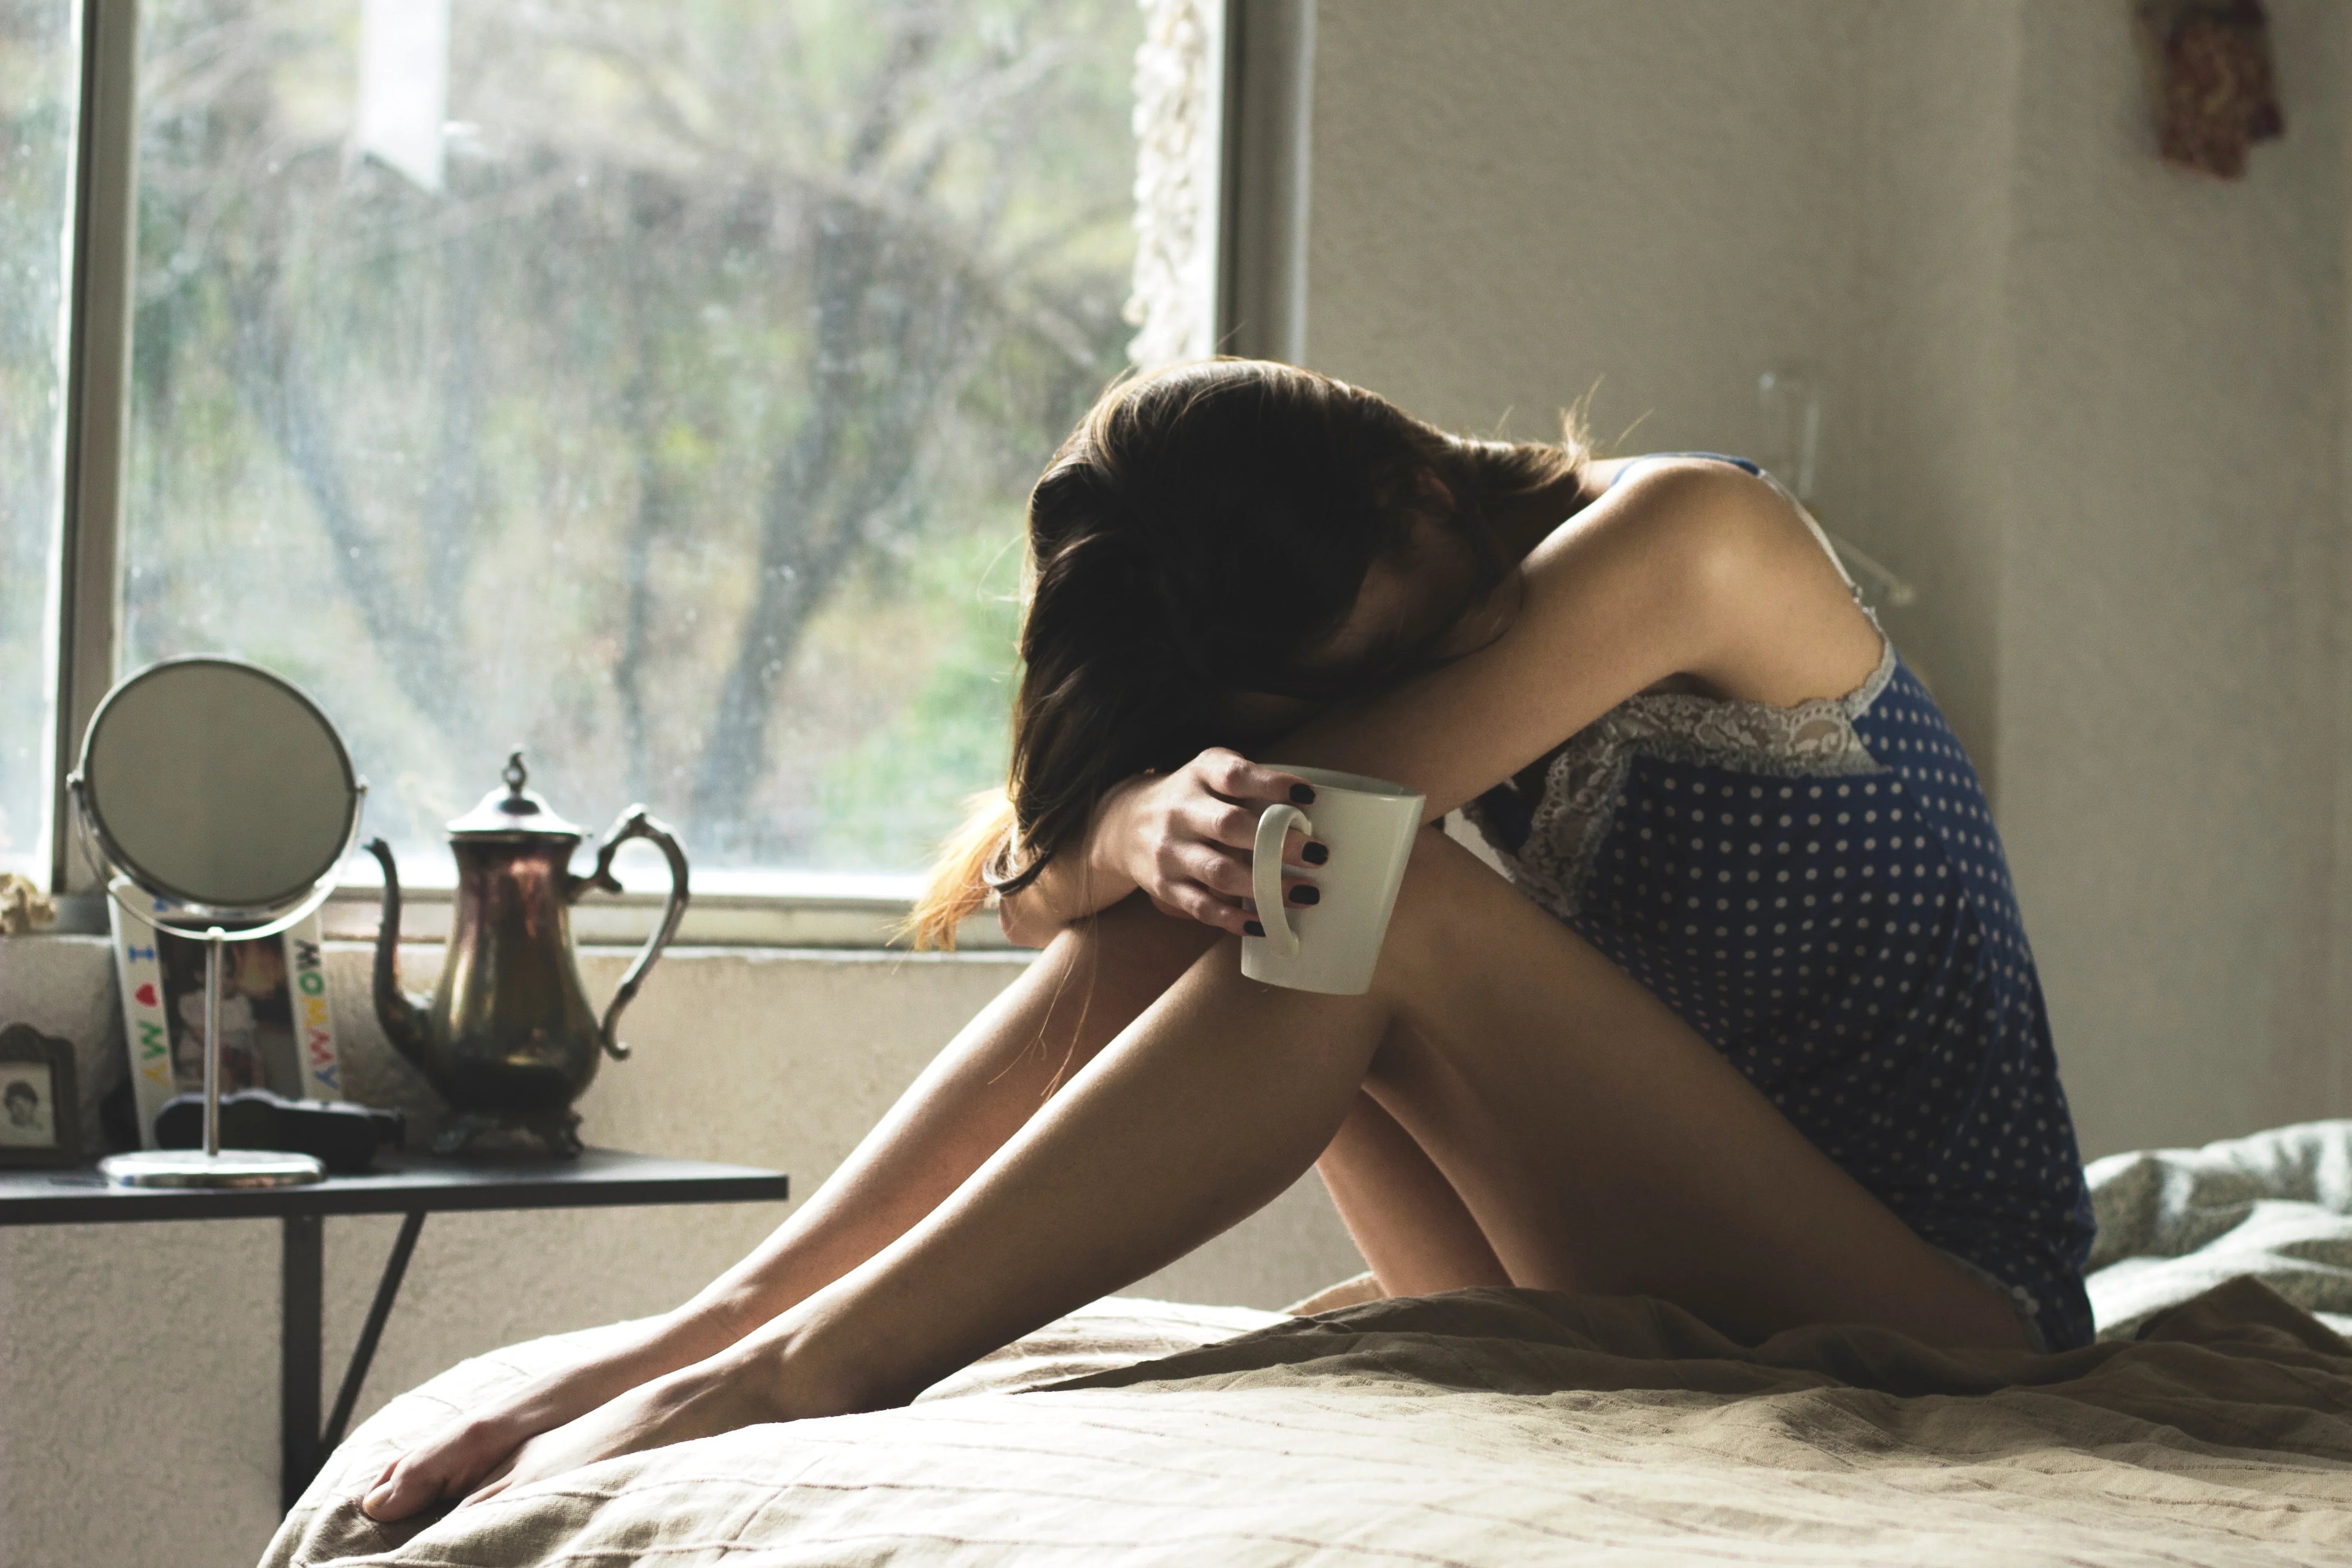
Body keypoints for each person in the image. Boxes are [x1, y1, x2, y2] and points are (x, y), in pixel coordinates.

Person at [362, 359, 2095, 1521]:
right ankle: (719, 1333)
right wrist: (1125, 817)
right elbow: (1034, 886)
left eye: (1363, 660)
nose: (1368, 697)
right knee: (1245, 882)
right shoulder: (1375, 607)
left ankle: (811, 1367)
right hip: (1629, 1275)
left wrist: (1159, 821)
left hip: (1934, 1305)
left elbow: (1313, 829)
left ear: (1417, 491)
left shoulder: (1695, 535)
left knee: (1348, 878)